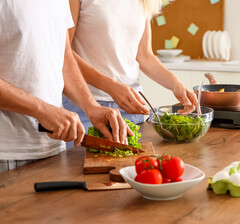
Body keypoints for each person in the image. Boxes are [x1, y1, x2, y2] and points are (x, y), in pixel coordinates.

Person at [0, 0, 131, 173]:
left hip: (53, 148)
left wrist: (91, 106)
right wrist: (41, 110)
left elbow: (63, 55)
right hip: (7, 152)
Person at [63, 0, 198, 148]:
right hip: (86, 106)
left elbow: (144, 55)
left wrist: (175, 84)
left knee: (133, 169)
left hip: (131, 107)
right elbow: (63, 52)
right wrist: (111, 88)